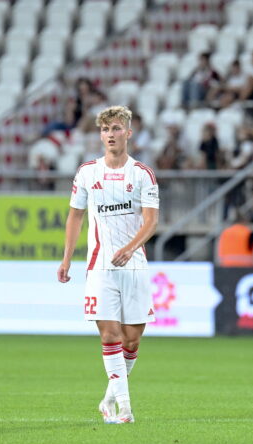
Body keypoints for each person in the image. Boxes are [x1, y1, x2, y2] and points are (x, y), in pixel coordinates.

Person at [57, 105, 160, 425]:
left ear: (128, 133)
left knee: (132, 339)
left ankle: (108, 398)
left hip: (134, 265)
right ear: (99, 135)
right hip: (100, 266)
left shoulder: (142, 173)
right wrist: (66, 257)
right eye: (105, 130)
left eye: (116, 129)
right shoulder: (88, 171)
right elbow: (75, 215)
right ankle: (125, 409)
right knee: (110, 335)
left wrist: (130, 249)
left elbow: (152, 221)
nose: (110, 135)